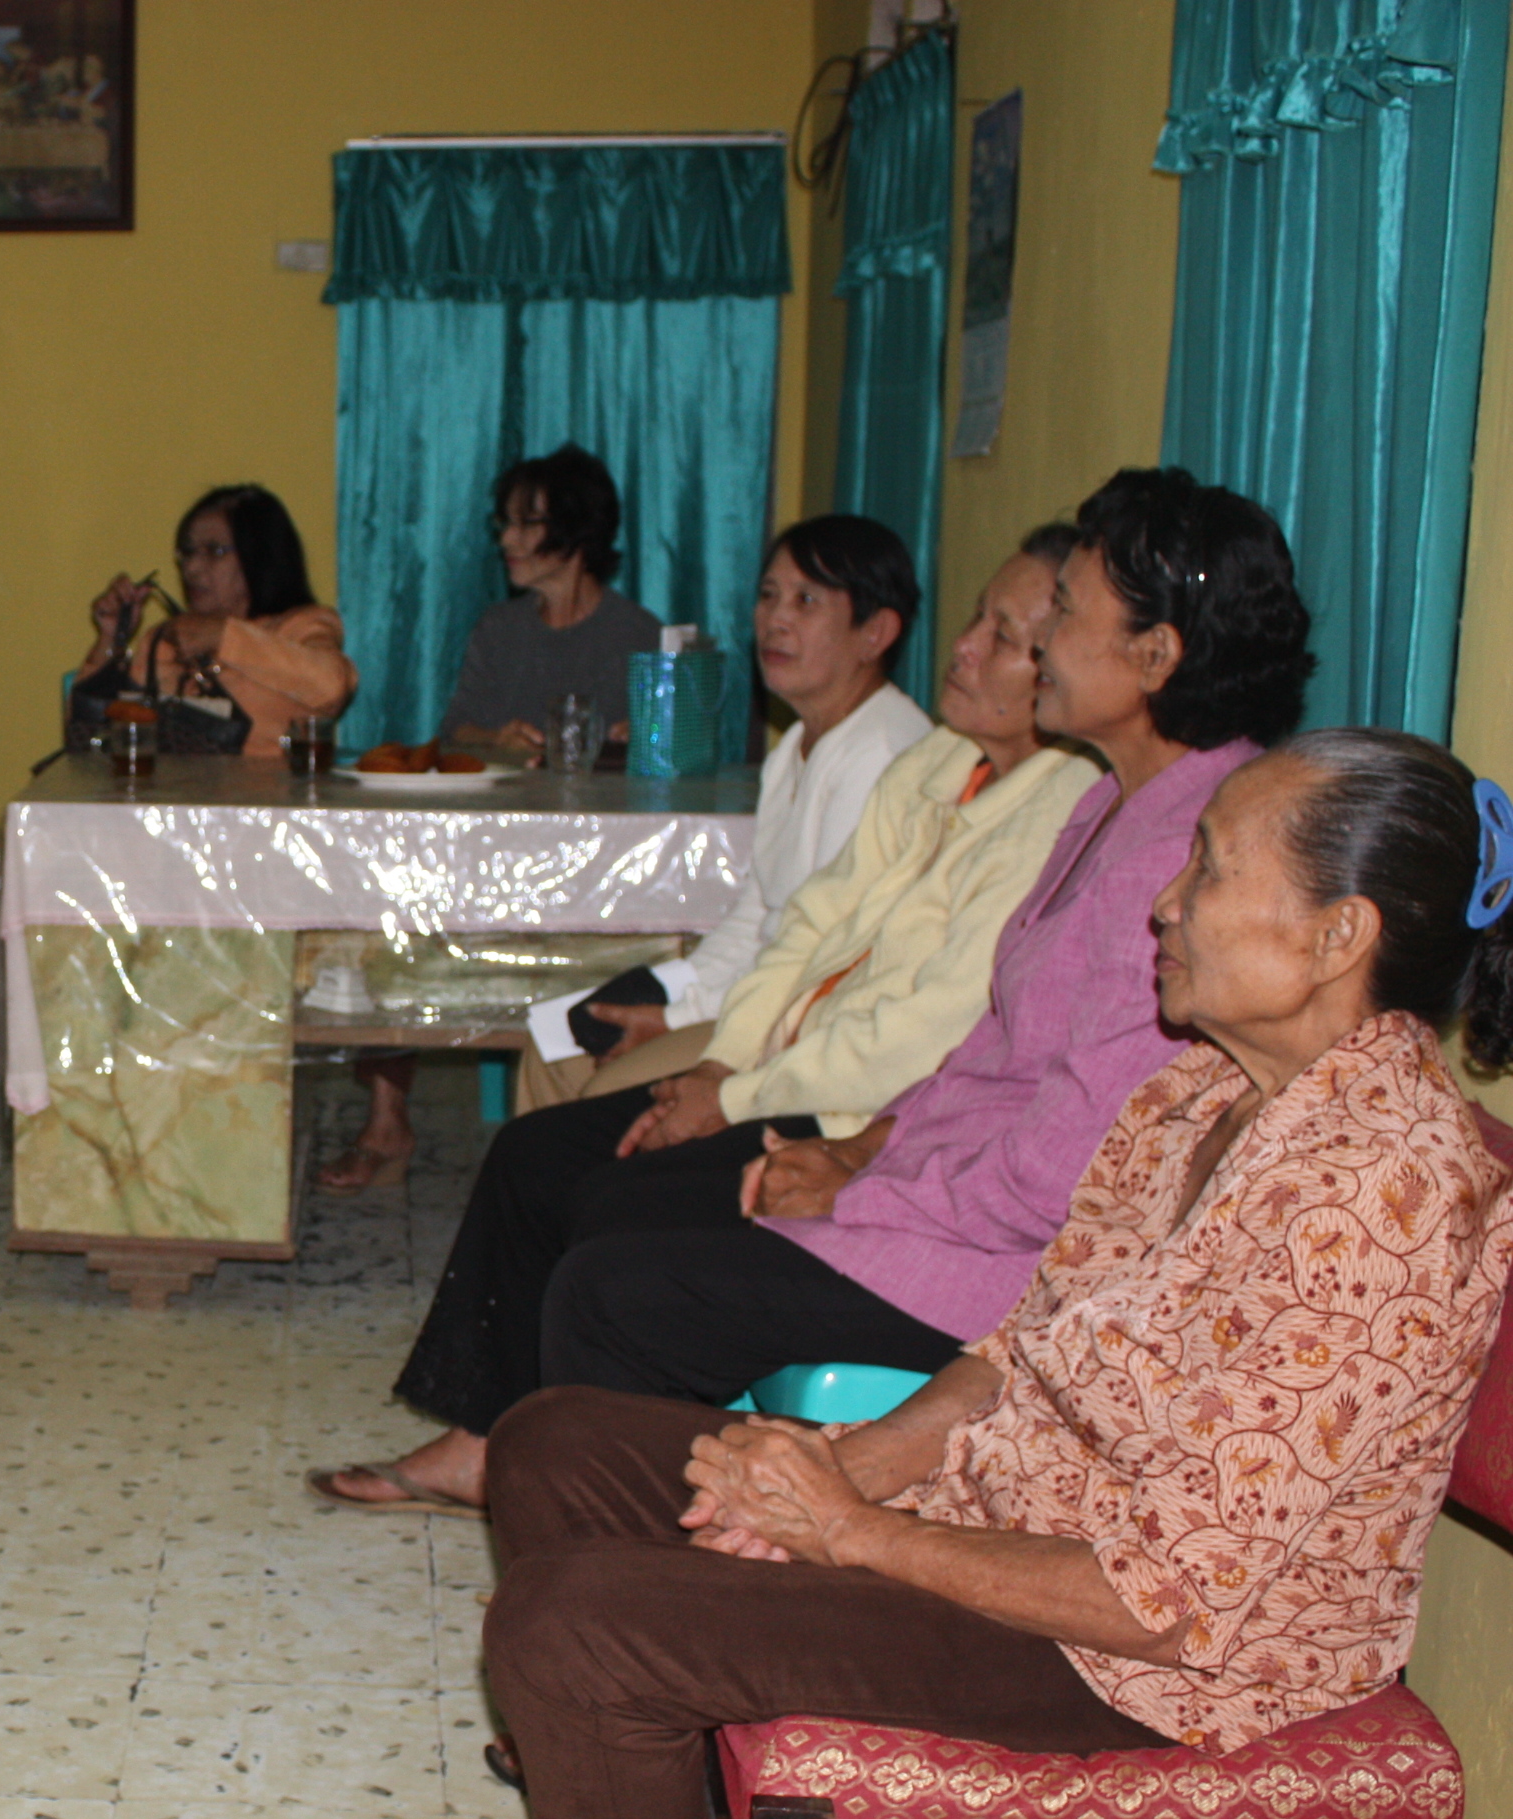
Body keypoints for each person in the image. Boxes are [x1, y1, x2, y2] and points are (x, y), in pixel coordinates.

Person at [447, 727, 1513, 1819]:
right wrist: (853, 1468)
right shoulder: (1197, 1097)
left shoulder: (1384, 1191)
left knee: (574, 1619)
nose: (1164, 900)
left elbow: (1169, 1600)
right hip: (1021, 1521)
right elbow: (1016, 1349)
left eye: (1210, 868)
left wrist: (850, 1535)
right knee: (556, 1444)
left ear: (1334, 934)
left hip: (1131, 1657)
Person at [311, 529, 1100, 1512]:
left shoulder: (1062, 807)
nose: (967, 646)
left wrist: (734, 1091)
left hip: (854, 1107)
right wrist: (721, 1064)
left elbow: (921, 1031)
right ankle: (486, 1440)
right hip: (779, 1062)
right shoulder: (941, 759)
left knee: (606, 1199)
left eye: (1007, 634)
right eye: (978, 617)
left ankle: (597, 1487)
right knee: (531, 1154)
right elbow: (806, 923)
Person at [537, 467, 1311, 1421]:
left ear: (1154, 655)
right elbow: (983, 1052)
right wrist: (858, 1150)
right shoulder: (1113, 803)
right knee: (612, 1220)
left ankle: (654, 1556)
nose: (1037, 652)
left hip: (1004, 1275)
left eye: (1061, 619)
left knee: (613, 1292)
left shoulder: (1191, 860)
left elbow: (1062, 1178)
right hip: (940, 1203)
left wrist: (853, 1197)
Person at [321, 515, 937, 1190]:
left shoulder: (884, 753)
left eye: (806, 601)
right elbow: (757, 912)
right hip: (763, 999)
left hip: (811, 1030)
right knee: (553, 1040)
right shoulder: (797, 744)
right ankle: (547, 1247)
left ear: (875, 632)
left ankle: (585, 1246)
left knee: (605, 1092)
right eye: (768, 596)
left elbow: (824, 958)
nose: (775, 621)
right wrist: (670, 992)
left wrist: (676, 1019)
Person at [78, 483, 354, 754]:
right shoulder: (167, 638)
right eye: (187, 553)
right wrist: (111, 638)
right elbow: (89, 735)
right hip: (166, 797)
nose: (192, 568)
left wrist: (225, 637)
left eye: (215, 551)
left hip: (269, 796)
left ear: (261, 554)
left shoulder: (304, 625)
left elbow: (332, 687)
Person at [440, 444, 663, 757]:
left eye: (526, 524)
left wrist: (650, 736)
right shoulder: (498, 629)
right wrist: (496, 740)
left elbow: (676, 752)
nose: (506, 540)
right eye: (504, 524)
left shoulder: (642, 637)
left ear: (577, 527)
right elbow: (455, 731)